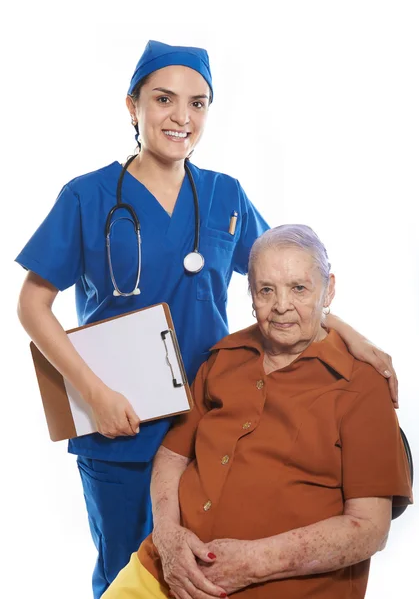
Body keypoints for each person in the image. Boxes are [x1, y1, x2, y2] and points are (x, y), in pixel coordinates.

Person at [15, 41, 398, 598]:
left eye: (198, 103)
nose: (182, 117)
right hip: (121, 422)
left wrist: (356, 339)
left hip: (210, 419)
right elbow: (31, 304)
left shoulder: (225, 195)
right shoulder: (86, 196)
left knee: (200, 574)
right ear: (133, 105)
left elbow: (285, 280)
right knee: (128, 571)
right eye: (164, 99)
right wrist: (94, 394)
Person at [103, 224, 412, 599]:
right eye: (266, 290)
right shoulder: (223, 358)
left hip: (275, 588)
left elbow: (370, 528)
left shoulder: (363, 385)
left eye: (299, 288)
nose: (281, 305)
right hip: (167, 570)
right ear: (250, 295)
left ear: (328, 289)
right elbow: (172, 454)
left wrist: (251, 563)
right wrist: (168, 537)